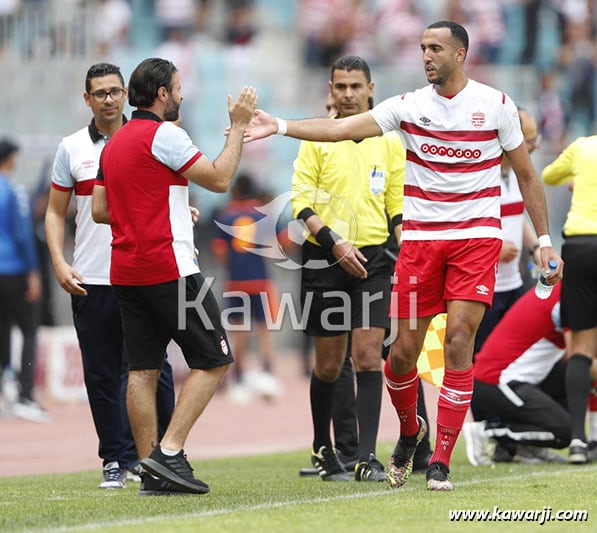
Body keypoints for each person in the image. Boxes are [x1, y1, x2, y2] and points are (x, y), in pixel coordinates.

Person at [242, 20, 563, 491]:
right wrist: (282, 126)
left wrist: (545, 240)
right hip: (420, 243)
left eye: (435, 48)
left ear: (460, 54)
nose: (426, 55)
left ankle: (441, 462)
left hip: (476, 240)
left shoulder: (495, 105)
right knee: (401, 357)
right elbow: (341, 129)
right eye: (422, 47)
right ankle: (411, 430)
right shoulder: (409, 106)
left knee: (458, 342)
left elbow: (528, 176)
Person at [91, 58, 257, 495]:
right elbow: (220, 179)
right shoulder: (165, 134)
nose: (182, 95)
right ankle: (169, 451)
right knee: (215, 358)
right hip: (168, 266)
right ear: (162, 93)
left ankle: (151, 469)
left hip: (125, 270)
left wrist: (163, 210)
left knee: (142, 370)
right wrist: (239, 125)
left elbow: (100, 210)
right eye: (179, 88)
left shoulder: (114, 143)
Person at [45, 63, 176, 490]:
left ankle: (162, 456)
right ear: (87, 99)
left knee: (155, 370)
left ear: (126, 94)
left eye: (115, 91)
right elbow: (55, 212)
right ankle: (115, 459)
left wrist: (182, 219)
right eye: (99, 93)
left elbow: (167, 196)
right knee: (102, 375)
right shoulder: (71, 148)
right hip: (92, 278)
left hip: (143, 273)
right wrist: (59, 262)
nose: (108, 99)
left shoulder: (150, 139)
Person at [290, 54, 405, 482]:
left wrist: (406, 245)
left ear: (371, 89)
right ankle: (324, 448)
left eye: (356, 86)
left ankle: (366, 457)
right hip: (325, 257)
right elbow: (300, 200)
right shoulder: (316, 138)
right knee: (328, 365)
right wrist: (334, 243)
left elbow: (396, 201)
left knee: (368, 356)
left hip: (374, 259)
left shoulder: (389, 140)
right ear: (331, 90)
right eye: (341, 86)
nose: (349, 94)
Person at [470, 108, 542, 431]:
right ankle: (485, 427)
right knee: (479, 359)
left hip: (513, 285)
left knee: (515, 358)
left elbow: (517, 214)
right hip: (485, 286)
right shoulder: (481, 174)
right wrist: (494, 247)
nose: (534, 148)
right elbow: (465, 223)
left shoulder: (516, 174)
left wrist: (535, 246)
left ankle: (512, 426)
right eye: (530, 142)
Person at [463, 283, 570, 467]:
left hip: (517, 380)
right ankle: (485, 432)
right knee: (565, 433)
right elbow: (579, 356)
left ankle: (529, 448)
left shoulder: (566, 290)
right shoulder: (570, 297)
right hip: (497, 380)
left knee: (570, 374)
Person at [542, 133, 597, 464]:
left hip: (581, 245)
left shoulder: (582, 146)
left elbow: (549, 175)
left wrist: (578, 178)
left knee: (581, 349)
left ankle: (578, 441)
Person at [211, 172, 282, 403]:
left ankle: (239, 377)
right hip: (260, 279)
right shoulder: (263, 212)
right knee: (265, 328)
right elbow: (280, 243)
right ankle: (267, 373)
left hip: (236, 280)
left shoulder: (226, 214)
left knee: (239, 329)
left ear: (236, 190)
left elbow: (220, 251)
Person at [0, 138, 47, 422]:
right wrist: (33, 271)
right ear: (11, 159)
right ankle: (26, 395)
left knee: (2, 327)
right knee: (29, 328)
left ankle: (4, 390)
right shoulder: (14, 190)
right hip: (14, 269)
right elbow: (23, 233)